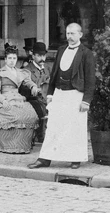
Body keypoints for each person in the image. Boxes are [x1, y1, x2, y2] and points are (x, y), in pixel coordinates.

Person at [28, 23, 96, 170]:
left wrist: (86, 101)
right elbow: (54, 74)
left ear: (80, 34)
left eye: (72, 33)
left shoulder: (86, 53)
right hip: (59, 92)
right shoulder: (60, 50)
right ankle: (45, 158)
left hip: (76, 94)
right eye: (67, 33)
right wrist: (51, 93)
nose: (69, 37)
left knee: (75, 127)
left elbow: (91, 79)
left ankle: (75, 158)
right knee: (53, 126)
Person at [0, 44, 40, 154]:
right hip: (3, 99)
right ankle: (9, 146)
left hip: (17, 99)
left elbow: (28, 82)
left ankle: (23, 145)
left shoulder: (21, 72)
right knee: (16, 117)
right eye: (9, 58)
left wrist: (33, 86)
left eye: (14, 58)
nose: (12, 61)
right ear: (5, 59)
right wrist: (3, 100)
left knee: (31, 115)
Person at [22, 41, 51, 142]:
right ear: (33, 55)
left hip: (47, 97)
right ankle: (42, 135)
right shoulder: (27, 69)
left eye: (44, 55)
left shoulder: (48, 68)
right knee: (42, 108)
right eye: (39, 55)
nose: (42, 58)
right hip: (33, 98)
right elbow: (25, 87)